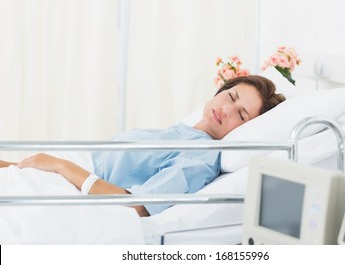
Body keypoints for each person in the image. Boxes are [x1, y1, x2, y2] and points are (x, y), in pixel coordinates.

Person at [0, 75, 285, 217]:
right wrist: (22, 165)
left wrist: (61, 167)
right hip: (62, 170)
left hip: (73, 181)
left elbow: (138, 205)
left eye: (242, 114)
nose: (227, 109)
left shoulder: (201, 157)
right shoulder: (180, 131)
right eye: (231, 96)